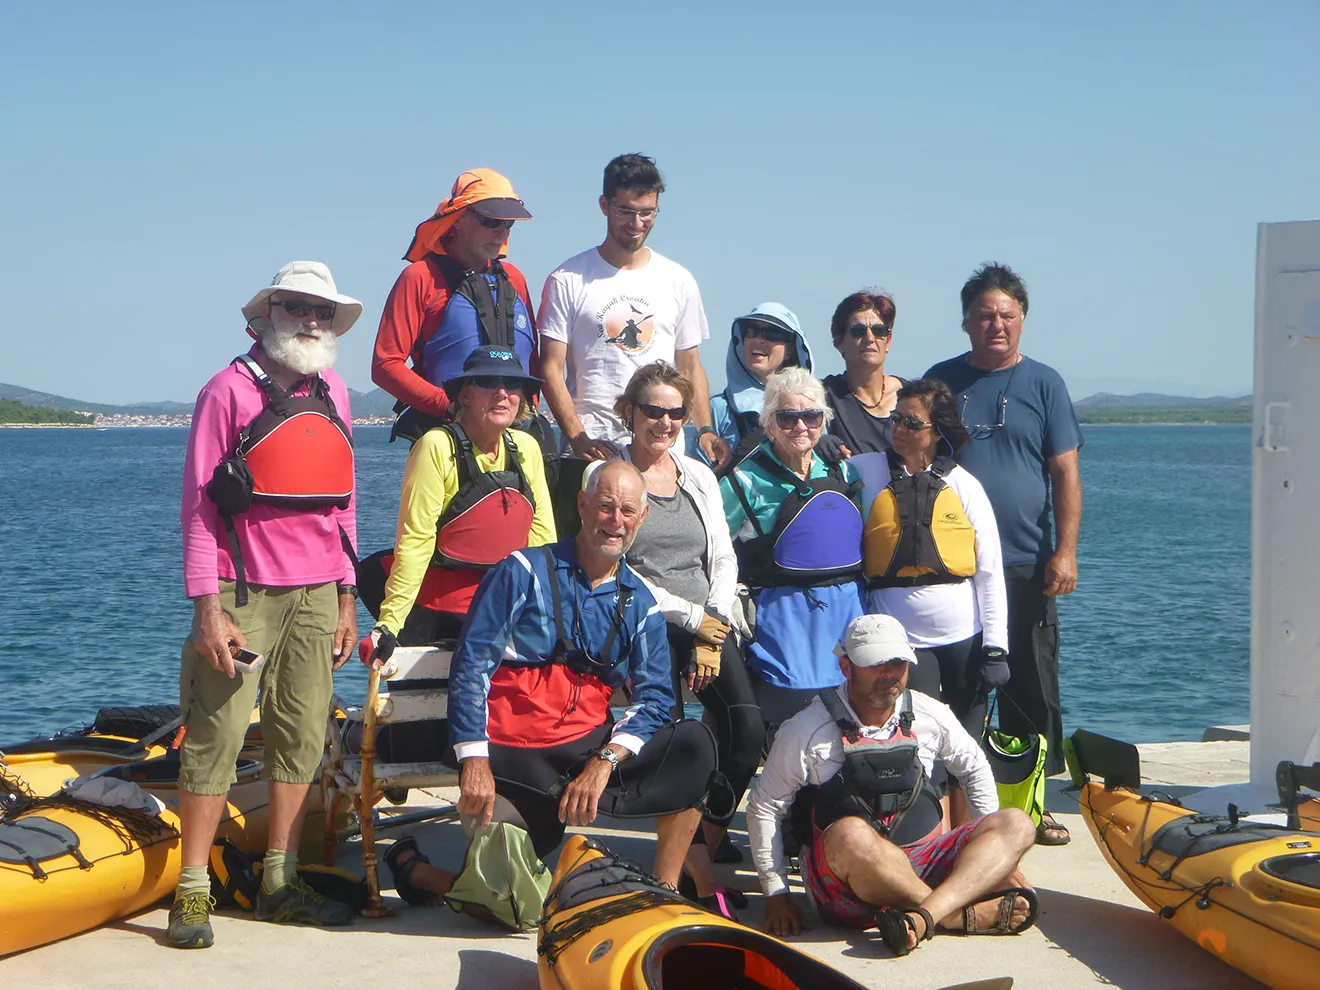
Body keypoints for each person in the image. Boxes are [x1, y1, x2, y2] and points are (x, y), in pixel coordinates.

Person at [366, 461, 718, 903]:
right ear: (583, 506)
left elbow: (654, 699)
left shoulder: (641, 602)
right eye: (606, 506)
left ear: (642, 519)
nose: (616, 521)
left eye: (628, 511)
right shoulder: (520, 572)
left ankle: (664, 892)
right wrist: (473, 762)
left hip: (585, 753)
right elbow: (472, 666)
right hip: (512, 758)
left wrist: (604, 761)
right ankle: (417, 872)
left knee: (692, 745)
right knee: (509, 903)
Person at [172, 261, 363, 948]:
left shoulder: (335, 389)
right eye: (297, 307)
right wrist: (206, 607)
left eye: (321, 310)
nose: (310, 320)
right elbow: (199, 506)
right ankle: (191, 890)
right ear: (267, 315)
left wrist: (348, 594)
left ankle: (278, 880)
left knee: (304, 733)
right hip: (241, 590)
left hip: (317, 592)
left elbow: (342, 503)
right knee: (218, 733)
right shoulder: (225, 391)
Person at [746, 614, 1038, 954]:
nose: (889, 674)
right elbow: (765, 807)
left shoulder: (932, 714)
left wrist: (997, 860)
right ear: (846, 666)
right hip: (848, 887)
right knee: (850, 833)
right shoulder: (806, 729)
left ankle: (922, 917)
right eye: (875, 664)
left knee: (1017, 823)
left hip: (928, 864)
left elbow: (974, 768)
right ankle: (955, 915)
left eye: (898, 663)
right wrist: (776, 894)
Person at [585, 362, 764, 917]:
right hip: (648, 623)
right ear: (630, 413)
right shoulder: (612, 478)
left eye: (675, 412)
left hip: (708, 621)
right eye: (652, 411)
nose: (664, 422)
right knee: (676, 738)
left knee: (746, 731)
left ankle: (704, 836)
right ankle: (691, 871)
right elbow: (618, 568)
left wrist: (715, 623)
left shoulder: (697, 475)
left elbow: (724, 554)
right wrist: (695, 620)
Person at [925, 263, 1083, 845]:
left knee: (1030, 686)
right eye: (986, 315)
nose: (997, 324)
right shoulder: (941, 381)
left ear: (1022, 321)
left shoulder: (1045, 383)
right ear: (966, 321)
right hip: (949, 564)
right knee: (959, 687)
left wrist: (1064, 552)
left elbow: (1065, 472)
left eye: (1007, 315)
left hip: (1024, 561)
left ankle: (1033, 805)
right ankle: (950, 804)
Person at [852, 379, 1009, 826]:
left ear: (936, 430)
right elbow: (819, 466)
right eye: (894, 419)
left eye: (910, 422)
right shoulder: (865, 472)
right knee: (920, 747)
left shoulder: (965, 487)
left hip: (964, 638)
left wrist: (996, 648)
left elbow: (990, 572)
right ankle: (929, 842)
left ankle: (969, 839)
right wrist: (827, 448)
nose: (898, 429)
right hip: (903, 642)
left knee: (967, 745)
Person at [358, 345, 556, 655]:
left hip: (505, 610)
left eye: (513, 384)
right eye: (488, 382)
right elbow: (416, 540)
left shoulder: (527, 448)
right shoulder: (435, 446)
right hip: (437, 613)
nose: (502, 393)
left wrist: (548, 613)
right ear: (465, 395)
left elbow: (543, 540)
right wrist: (389, 624)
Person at [538, 153, 729, 469]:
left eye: (647, 213)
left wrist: (705, 429)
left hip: (663, 450)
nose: (636, 224)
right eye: (626, 211)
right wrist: (576, 435)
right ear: (604, 205)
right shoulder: (568, 279)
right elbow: (550, 368)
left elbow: (690, 365)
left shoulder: (678, 280)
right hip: (594, 448)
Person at [721, 368, 866, 735]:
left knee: (846, 728)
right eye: (787, 417)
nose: (800, 426)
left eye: (811, 416)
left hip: (846, 616)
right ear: (769, 423)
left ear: (824, 421)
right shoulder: (743, 479)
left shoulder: (844, 472)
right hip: (782, 624)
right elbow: (711, 542)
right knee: (789, 730)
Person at [371, 168, 538, 428]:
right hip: (449, 433)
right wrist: (450, 407)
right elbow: (385, 365)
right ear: (457, 218)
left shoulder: (514, 278)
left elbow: (534, 359)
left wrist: (530, 409)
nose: (501, 231)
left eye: (509, 223)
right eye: (491, 220)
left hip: (518, 437)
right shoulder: (420, 277)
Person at [706, 303, 812, 464]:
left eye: (773, 334)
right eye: (751, 331)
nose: (759, 339)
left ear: (790, 349)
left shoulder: (811, 406)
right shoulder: (717, 408)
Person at [823, 290, 906, 456]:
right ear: (839, 342)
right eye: (858, 331)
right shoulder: (823, 395)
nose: (870, 338)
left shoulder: (914, 396)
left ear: (888, 340)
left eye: (879, 331)